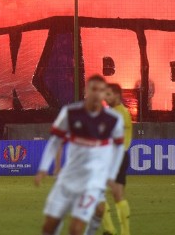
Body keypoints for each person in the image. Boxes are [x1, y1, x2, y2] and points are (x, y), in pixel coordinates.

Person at [35, 75, 125, 235]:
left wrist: (111, 174)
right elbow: (56, 141)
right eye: (94, 89)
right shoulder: (70, 113)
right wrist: (44, 167)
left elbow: (119, 148)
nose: (97, 93)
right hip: (68, 178)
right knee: (49, 226)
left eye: (102, 90)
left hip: (92, 182)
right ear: (86, 91)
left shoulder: (113, 120)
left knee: (76, 228)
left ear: (105, 94)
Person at [85, 83, 132, 235]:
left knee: (112, 194)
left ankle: (120, 231)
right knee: (110, 194)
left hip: (116, 157)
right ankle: (111, 229)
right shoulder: (112, 112)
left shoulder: (121, 112)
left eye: (109, 94)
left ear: (117, 95)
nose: (106, 97)